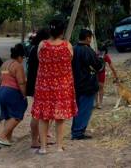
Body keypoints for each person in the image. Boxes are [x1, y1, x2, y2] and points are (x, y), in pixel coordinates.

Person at [32, 20, 77, 154]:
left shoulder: (42, 45)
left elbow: (40, 60)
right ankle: (59, 146)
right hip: (62, 86)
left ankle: (43, 148)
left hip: (44, 86)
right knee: (60, 118)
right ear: (62, 31)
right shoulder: (67, 46)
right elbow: (70, 60)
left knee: (43, 117)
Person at [71, 29, 104, 140]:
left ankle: (75, 130)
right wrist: (101, 59)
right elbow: (98, 66)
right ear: (88, 38)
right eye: (91, 38)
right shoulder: (87, 51)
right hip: (87, 84)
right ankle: (78, 132)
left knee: (78, 109)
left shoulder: (73, 49)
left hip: (75, 84)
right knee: (84, 109)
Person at [0, 44, 27, 146]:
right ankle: (2, 136)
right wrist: (24, 95)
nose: (23, 59)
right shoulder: (17, 66)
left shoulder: (4, 64)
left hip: (1, 91)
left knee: (8, 116)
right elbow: (21, 82)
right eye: (23, 57)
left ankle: (8, 138)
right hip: (12, 92)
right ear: (19, 56)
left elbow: (0, 79)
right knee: (17, 116)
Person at [26, 29, 49, 148]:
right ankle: (35, 140)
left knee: (41, 113)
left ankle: (40, 138)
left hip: (35, 84)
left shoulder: (34, 49)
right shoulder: (38, 50)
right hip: (38, 85)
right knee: (38, 114)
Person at [96, 45, 118, 109]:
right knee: (96, 88)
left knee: (100, 87)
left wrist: (116, 76)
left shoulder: (106, 56)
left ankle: (100, 103)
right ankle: (97, 103)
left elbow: (112, 67)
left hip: (101, 73)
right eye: (99, 51)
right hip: (95, 73)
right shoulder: (95, 55)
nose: (100, 53)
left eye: (101, 51)